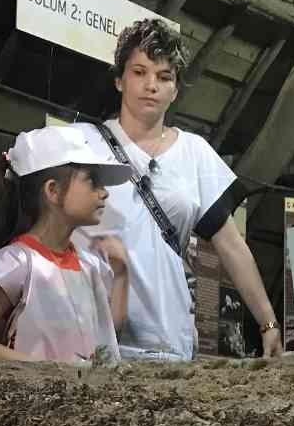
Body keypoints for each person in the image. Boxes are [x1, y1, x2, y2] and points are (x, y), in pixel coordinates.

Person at [78, 18, 283, 360]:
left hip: (167, 337)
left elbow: (231, 246)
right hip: (93, 334)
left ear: (175, 90)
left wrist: (268, 324)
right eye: (139, 72)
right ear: (119, 80)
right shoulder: (84, 145)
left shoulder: (195, 152)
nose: (151, 85)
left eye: (164, 77)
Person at [0, 125, 133, 364]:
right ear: (53, 191)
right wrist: (44, 368)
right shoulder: (12, 265)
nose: (104, 193)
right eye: (92, 181)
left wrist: (121, 275)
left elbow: (105, 332)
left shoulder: (90, 266)